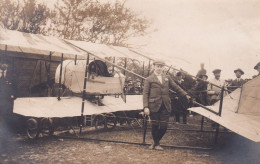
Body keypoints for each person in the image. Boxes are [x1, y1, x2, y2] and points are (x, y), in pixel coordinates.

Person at [143, 60, 190, 150]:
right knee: (155, 125)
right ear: (154, 67)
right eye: (158, 66)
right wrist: (145, 107)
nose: (159, 68)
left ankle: (155, 143)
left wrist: (185, 94)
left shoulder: (167, 78)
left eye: (161, 66)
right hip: (154, 105)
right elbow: (145, 94)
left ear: (163, 67)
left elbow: (176, 87)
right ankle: (157, 144)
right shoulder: (149, 79)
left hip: (165, 105)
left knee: (164, 127)